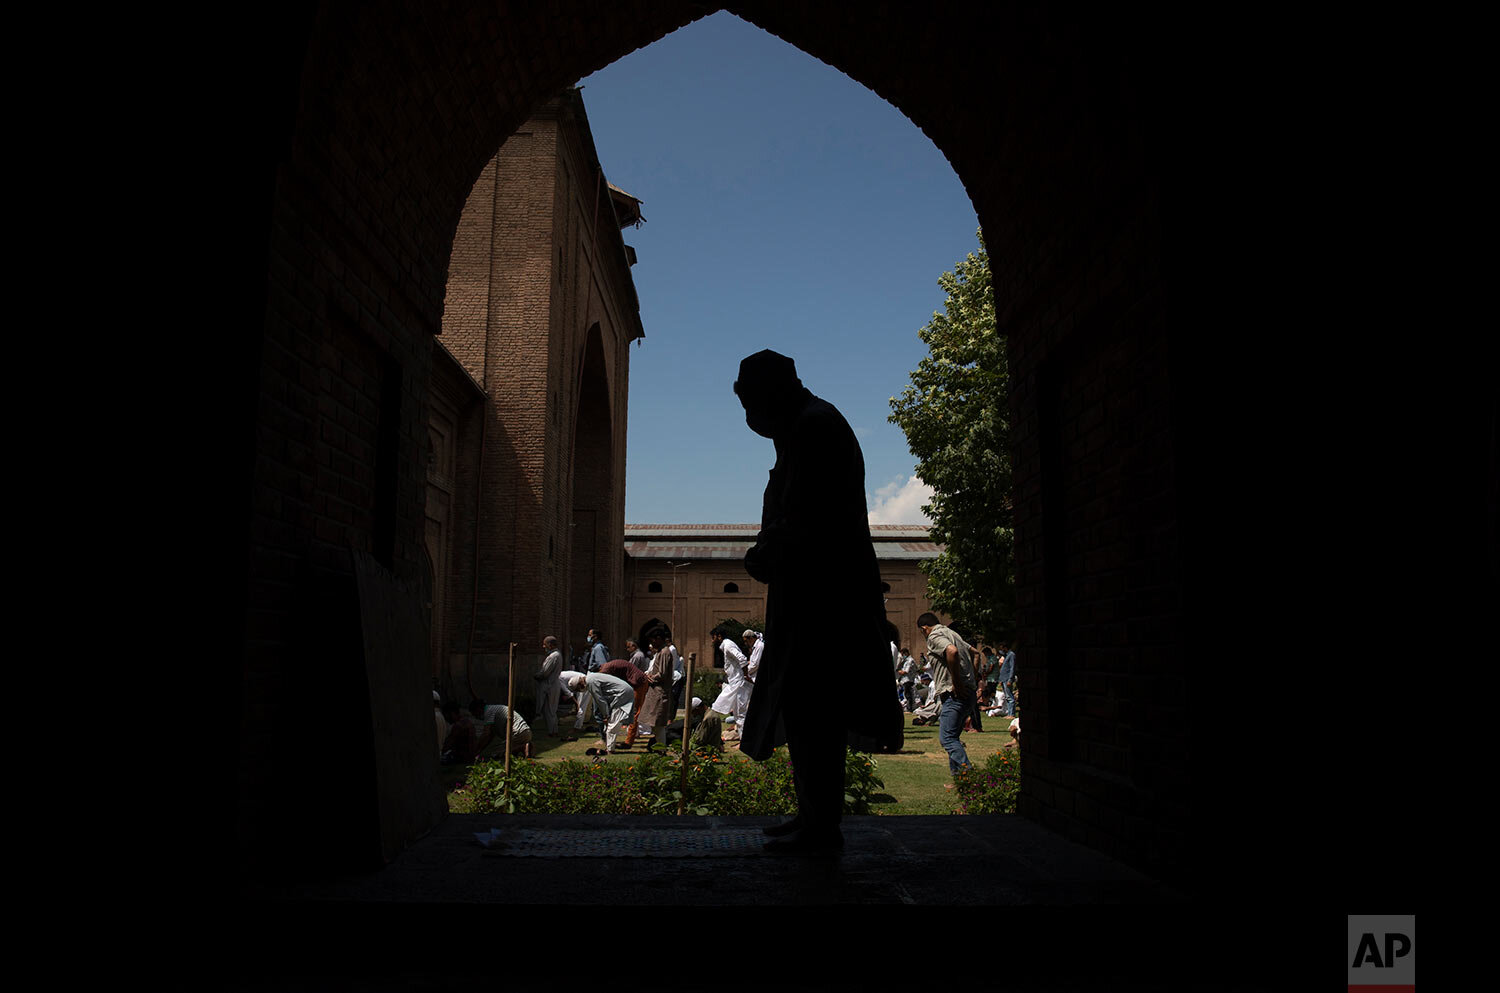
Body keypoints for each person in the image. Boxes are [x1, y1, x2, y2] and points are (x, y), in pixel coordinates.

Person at [733, 349, 903, 856]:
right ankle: (813, 813)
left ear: (772, 393)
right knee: (806, 708)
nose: (750, 420)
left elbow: (809, 517)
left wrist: (763, 553)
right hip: (810, 594)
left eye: (751, 406)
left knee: (817, 707)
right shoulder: (801, 428)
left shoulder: (814, 426)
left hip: (826, 600)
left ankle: (821, 826)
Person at [917, 611, 975, 784]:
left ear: (924, 628)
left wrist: (957, 682)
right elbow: (975, 653)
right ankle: (959, 779)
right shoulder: (953, 633)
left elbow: (952, 651)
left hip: (954, 694)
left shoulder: (934, 635)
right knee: (953, 737)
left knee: (947, 738)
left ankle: (970, 777)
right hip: (967, 693)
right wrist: (972, 680)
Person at [570, 671, 634, 755]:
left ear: (580, 684)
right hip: (623, 692)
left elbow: (600, 701)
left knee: (612, 725)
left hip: (622, 693)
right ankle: (610, 747)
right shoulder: (591, 678)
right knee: (611, 723)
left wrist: (605, 715)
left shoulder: (590, 682)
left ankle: (610, 750)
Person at [637, 624, 678, 753]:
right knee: (654, 724)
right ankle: (660, 749)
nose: (651, 644)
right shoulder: (660, 652)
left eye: (653, 640)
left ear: (659, 638)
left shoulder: (665, 652)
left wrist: (651, 678)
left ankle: (662, 750)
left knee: (659, 724)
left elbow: (663, 674)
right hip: (655, 692)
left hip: (660, 693)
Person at [598, 656, 649, 746]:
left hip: (639, 683)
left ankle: (629, 741)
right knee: (632, 711)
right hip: (634, 683)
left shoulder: (605, 671)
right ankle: (633, 735)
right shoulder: (608, 667)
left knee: (635, 711)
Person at [710, 630, 750, 734]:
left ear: (719, 636)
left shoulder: (728, 645)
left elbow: (742, 659)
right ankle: (742, 739)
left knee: (740, 713)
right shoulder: (727, 645)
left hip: (739, 683)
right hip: (735, 682)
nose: (712, 640)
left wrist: (745, 675)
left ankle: (744, 740)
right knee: (737, 713)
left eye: (712, 637)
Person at [469, 698, 533, 759]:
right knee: (505, 750)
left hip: (517, 733)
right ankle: (524, 747)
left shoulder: (488, 712)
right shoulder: (493, 709)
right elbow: (489, 736)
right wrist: (479, 750)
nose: (475, 716)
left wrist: (476, 749)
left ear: (478, 709)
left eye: (474, 714)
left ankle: (522, 747)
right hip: (526, 732)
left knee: (495, 753)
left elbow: (486, 734)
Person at [534, 635, 564, 736]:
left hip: (549, 684)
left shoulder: (553, 656)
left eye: (545, 644)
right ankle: (553, 730)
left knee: (549, 710)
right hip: (554, 684)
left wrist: (537, 676)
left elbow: (545, 672)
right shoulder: (558, 655)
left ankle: (552, 731)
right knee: (551, 709)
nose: (543, 647)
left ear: (550, 645)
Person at [439, 701, 476, 765]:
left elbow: (448, 744)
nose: (446, 719)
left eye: (446, 716)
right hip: (471, 757)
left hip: (464, 759)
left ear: (452, 713)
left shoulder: (458, 726)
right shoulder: (468, 722)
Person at [996, 640, 1018, 718]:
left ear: (1005, 648)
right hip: (1003, 679)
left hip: (1007, 678)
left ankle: (1012, 714)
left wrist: (1010, 679)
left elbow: (1012, 668)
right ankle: (1009, 713)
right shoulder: (1006, 655)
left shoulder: (1011, 655)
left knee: (1010, 697)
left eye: (1002, 648)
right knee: (1007, 697)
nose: (1001, 650)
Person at [895, 646, 918, 713]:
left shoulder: (910, 660)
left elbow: (905, 671)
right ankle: (909, 708)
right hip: (905, 680)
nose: (902, 656)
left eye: (903, 654)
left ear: (906, 653)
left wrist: (897, 670)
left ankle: (910, 708)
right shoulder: (906, 660)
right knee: (907, 694)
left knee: (908, 695)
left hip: (908, 679)